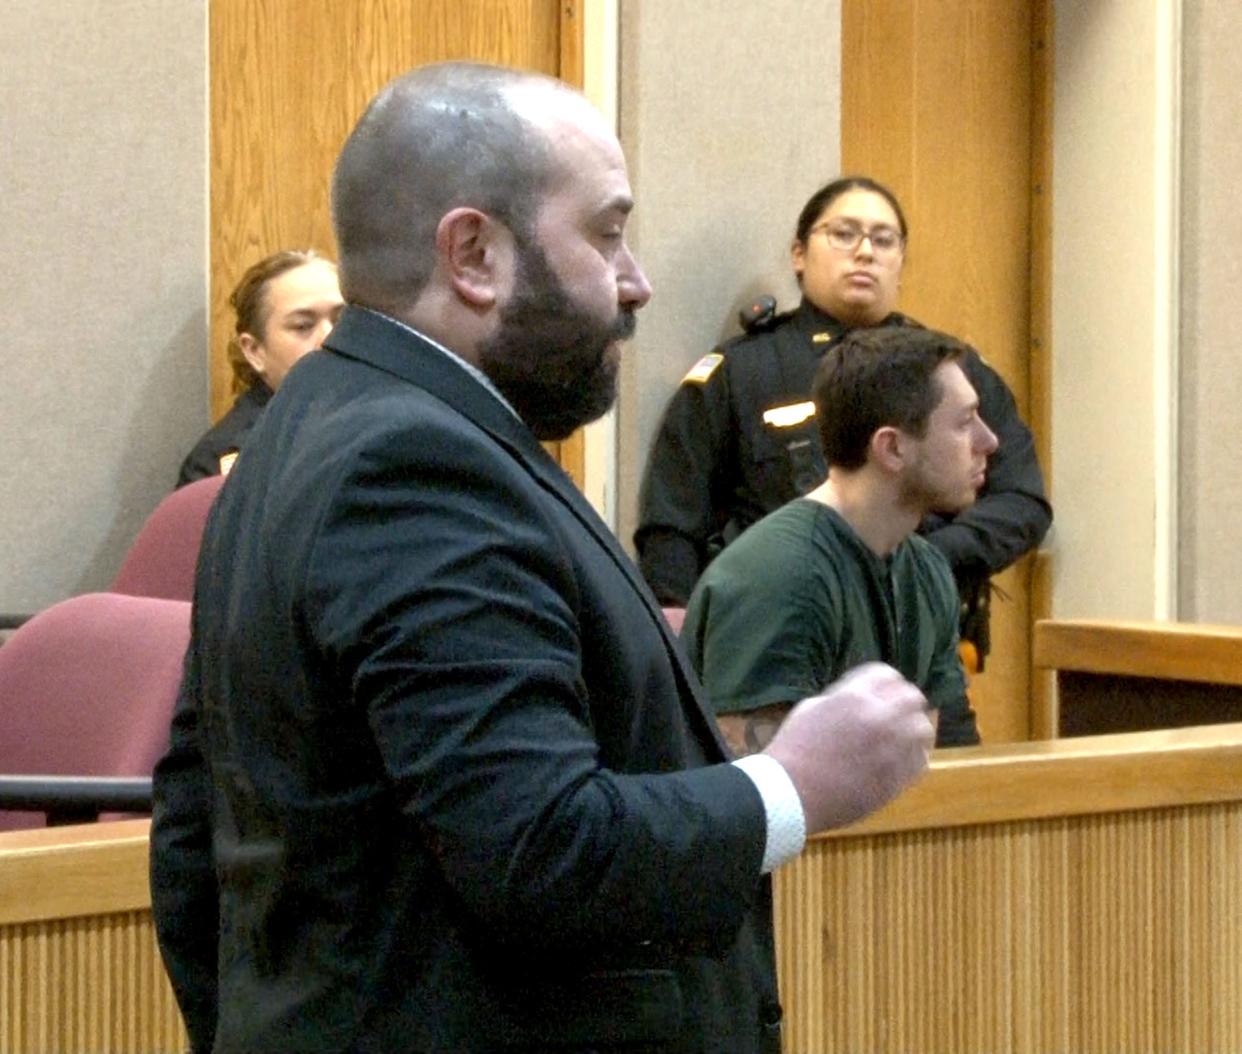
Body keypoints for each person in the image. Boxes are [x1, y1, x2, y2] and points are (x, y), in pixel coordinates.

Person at [149, 63, 934, 1053]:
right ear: (473, 253)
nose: (636, 280)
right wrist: (792, 785)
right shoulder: (416, 464)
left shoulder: (307, 431)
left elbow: (195, 827)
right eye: (607, 233)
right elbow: (541, 848)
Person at [635, 177, 1051, 668]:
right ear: (798, 253)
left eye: (883, 239)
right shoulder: (741, 372)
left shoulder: (955, 372)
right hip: (777, 638)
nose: (865, 252)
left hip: (920, 637)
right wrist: (683, 641)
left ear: (901, 260)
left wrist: (918, 560)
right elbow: (672, 520)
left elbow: (1021, 502)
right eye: (844, 233)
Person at [684, 326, 998, 752]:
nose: (989, 441)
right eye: (964, 423)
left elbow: (932, 768)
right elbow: (762, 794)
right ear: (891, 449)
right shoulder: (778, 578)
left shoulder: (926, 568)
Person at [175, 249, 344, 487]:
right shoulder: (223, 464)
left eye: (342, 320)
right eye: (303, 326)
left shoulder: (391, 414)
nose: (329, 338)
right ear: (255, 351)